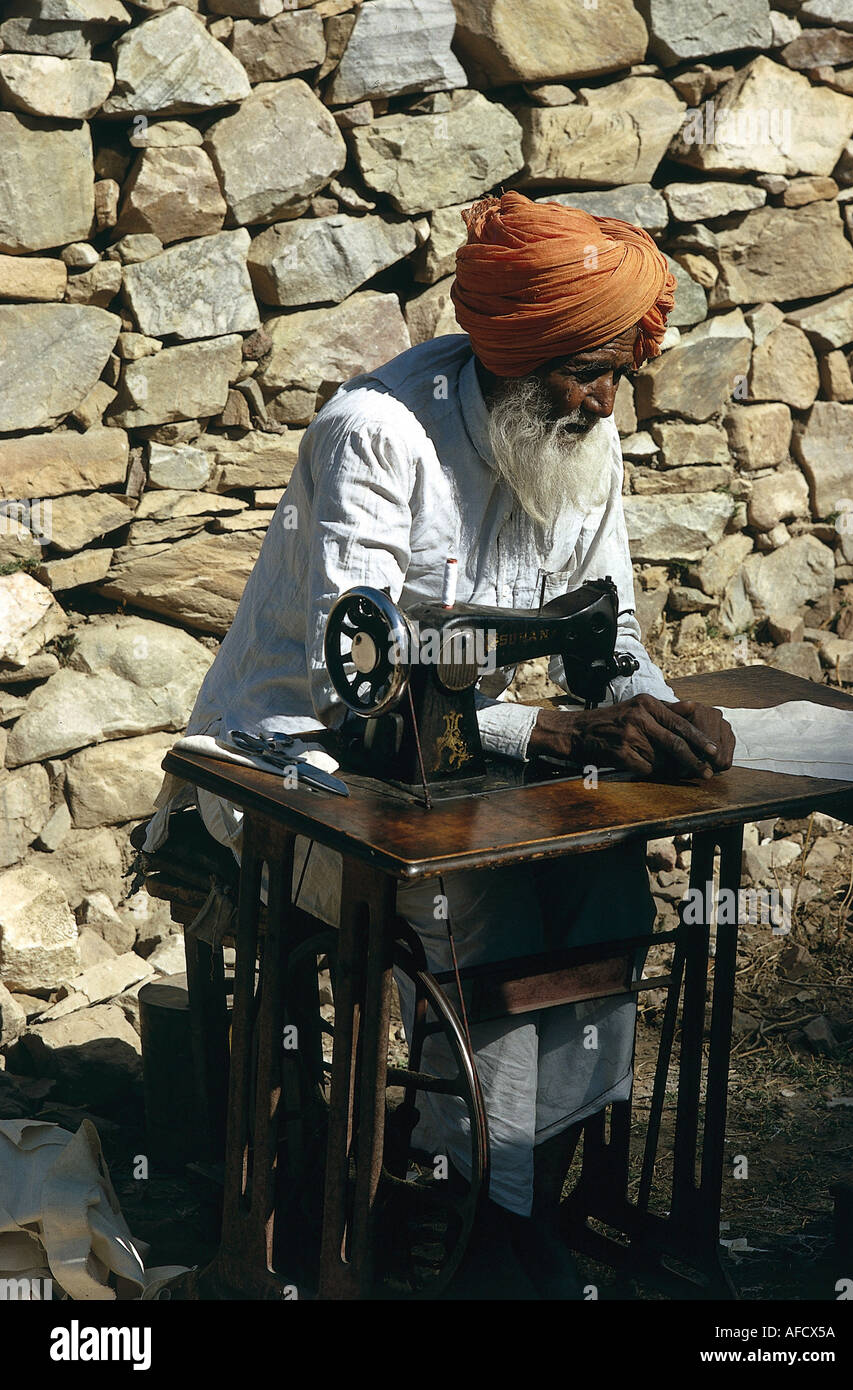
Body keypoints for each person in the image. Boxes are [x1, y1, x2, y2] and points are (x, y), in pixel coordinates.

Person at [149, 191, 735, 1297]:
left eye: (617, 370)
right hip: (289, 767)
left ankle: (521, 1201)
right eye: (581, 372)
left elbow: (603, 633)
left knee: (612, 894)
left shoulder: (584, 441)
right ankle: (481, 1216)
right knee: (485, 910)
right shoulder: (377, 436)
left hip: (451, 766)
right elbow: (352, 683)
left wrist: (656, 708)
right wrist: (550, 727)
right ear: (514, 355)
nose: (604, 400)